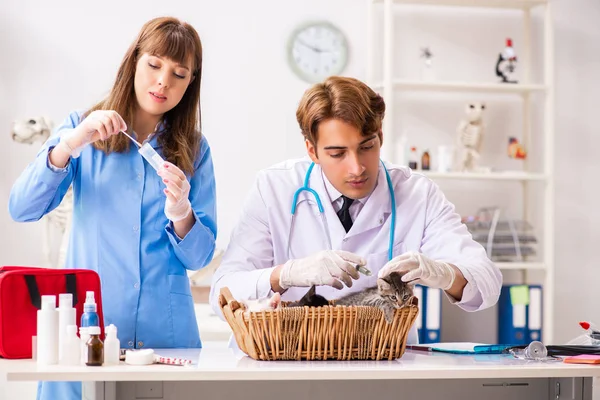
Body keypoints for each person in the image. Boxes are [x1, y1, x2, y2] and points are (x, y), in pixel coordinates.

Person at [9, 17, 217, 399]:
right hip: (87, 334)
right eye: (154, 64)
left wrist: (182, 211)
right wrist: (68, 146)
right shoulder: (81, 129)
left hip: (165, 336)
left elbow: (200, 256)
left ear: (191, 83)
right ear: (134, 61)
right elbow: (21, 208)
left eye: (179, 73)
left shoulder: (194, 150)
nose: (163, 82)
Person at [209, 76, 501, 344]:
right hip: (288, 367)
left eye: (367, 146)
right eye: (337, 154)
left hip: (382, 369)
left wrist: (444, 273)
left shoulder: (417, 193)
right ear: (312, 150)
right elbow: (220, 294)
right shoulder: (274, 188)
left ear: (380, 137)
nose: (357, 167)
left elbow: (487, 283)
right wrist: (285, 275)